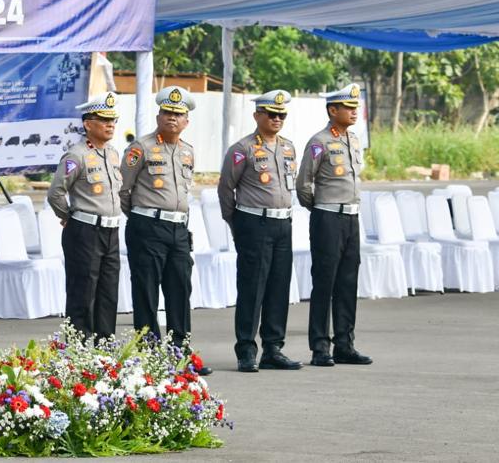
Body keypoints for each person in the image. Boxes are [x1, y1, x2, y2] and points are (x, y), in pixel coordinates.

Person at [118, 86, 211, 374]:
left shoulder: (187, 151)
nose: (172, 118)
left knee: (180, 289)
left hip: (179, 229)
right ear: (159, 115)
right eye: (168, 112)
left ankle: (179, 351)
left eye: (178, 114)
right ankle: (149, 353)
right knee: (146, 290)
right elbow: (124, 189)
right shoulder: (140, 148)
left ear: (186, 121)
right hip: (148, 226)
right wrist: (144, 216)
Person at [217, 90, 302, 372]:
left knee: (279, 286)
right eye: (271, 114)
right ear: (257, 116)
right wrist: (236, 223)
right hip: (254, 223)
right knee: (253, 287)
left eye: (282, 115)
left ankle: (273, 348)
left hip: (282, 223)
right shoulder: (242, 149)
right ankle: (246, 350)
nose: (277, 119)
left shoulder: (288, 147)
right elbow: (226, 188)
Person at [297, 83, 373, 367]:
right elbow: (304, 183)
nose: (354, 112)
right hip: (327, 217)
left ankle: (345, 344)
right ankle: (320, 348)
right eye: (349, 108)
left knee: (347, 283)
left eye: (356, 108)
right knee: (324, 284)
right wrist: (320, 209)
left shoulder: (353, 140)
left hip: (351, 217)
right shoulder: (319, 142)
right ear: (333, 110)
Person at [47, 91, 123, 338]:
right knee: (83, 293)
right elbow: (56, 193)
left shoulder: (113, 154)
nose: (110, 125)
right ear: (88, 124)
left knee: (108, 292)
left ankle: (105, 349)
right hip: (85, 231)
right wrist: (69, 217)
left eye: (113, 120)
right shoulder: (76, 155)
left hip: (111, 230)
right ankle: (78, 350)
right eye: (104, 120)